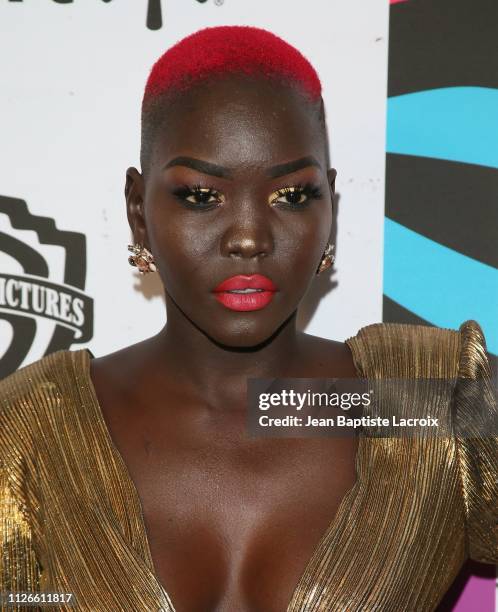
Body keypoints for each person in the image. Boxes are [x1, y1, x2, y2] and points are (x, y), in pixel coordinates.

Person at [0, 25, 496, 612]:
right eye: (202, 196)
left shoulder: (426, 397)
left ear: (330, 207)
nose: (248, 237)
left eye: (291, 195)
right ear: (138, 211)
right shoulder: (32, 430)